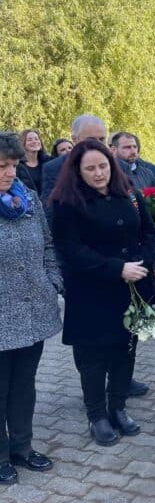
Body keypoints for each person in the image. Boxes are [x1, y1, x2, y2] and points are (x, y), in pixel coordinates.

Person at [50, 140, 155, 446]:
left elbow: (148, 232)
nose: (99, 174)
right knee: (93, 358)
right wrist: (117, 268)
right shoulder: (67, 203)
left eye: (103, 166)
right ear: (77, 171)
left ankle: (118, 407)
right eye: (90, 168)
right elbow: (71, 250)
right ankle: (97, 416)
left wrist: (144, 263)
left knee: (126, 350)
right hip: (91, 293)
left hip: (131, 289)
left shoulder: (129, 194)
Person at [0, 133, 62, 485]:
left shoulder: (29, 201)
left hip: (33, 307)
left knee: (25, 384)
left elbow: (49, 245)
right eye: (2, 166)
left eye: (13, 165)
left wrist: (52, 279)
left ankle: (22, 447)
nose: (10, 173)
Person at [41, 115, 109, 213]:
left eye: (102, 139)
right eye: (91, 139)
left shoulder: (119, 165)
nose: (98, 144)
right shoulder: (54, 168)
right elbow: (51, 209)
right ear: (74, 139)